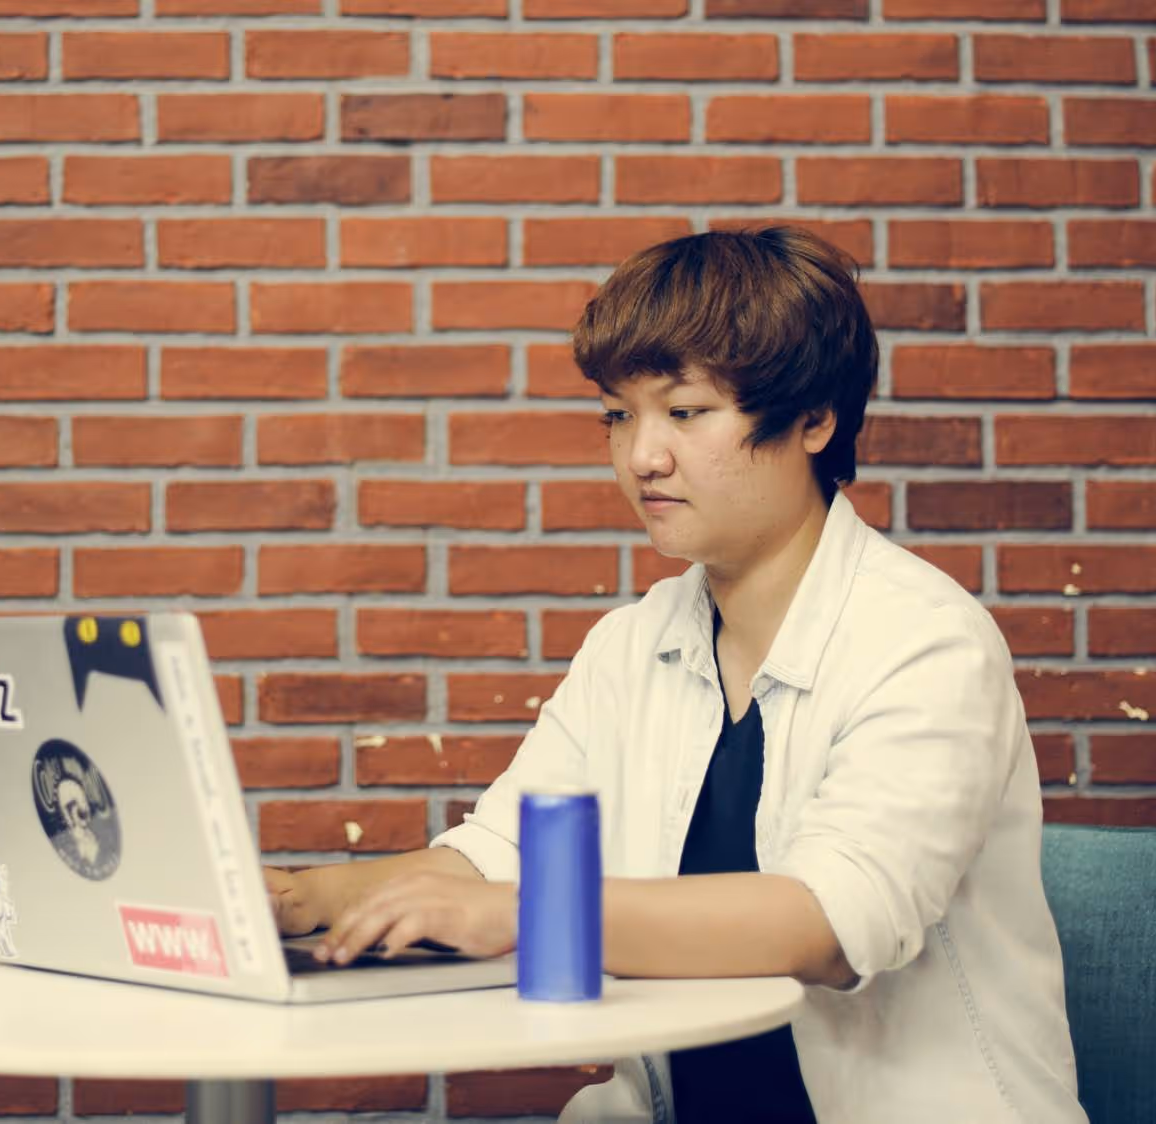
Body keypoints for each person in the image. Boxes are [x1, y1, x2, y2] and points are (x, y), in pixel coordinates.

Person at [265, 227, 1086, 1123]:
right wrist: (298, 900)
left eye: (685, 412)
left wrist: (533, 913)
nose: (641, 457)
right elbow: (497, 857)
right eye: (619, 416)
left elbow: (832, 924)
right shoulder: (631, 644)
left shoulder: (926, 641)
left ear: (814, 420)